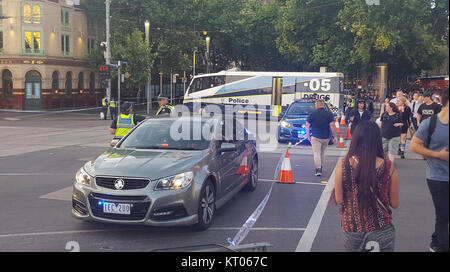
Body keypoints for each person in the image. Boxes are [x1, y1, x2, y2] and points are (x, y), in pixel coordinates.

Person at [334, 121, 399, 252]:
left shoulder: (343, 165)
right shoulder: (388, 166)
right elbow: (395, 203)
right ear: (377, 140)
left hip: (353, 227)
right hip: (381, 227)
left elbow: (339, 199)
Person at [410, 89, 449, 252]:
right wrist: (438, 155)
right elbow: (414, 145)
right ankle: (441, 246)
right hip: (437, 177)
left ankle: (436, 240)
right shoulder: (431, 123)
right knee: (443, 214)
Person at [306, 99, 338, 177]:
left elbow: (307, 125)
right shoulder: (329, 114)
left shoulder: (312, 114)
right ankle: (321, 166)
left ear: (316, 105)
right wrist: (335, 136)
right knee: (322, 153)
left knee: (316, 153)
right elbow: (332, 125)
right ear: (323, 105)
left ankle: (318, 169)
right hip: (326, 137)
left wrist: (308, 136)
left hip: (315, 136)